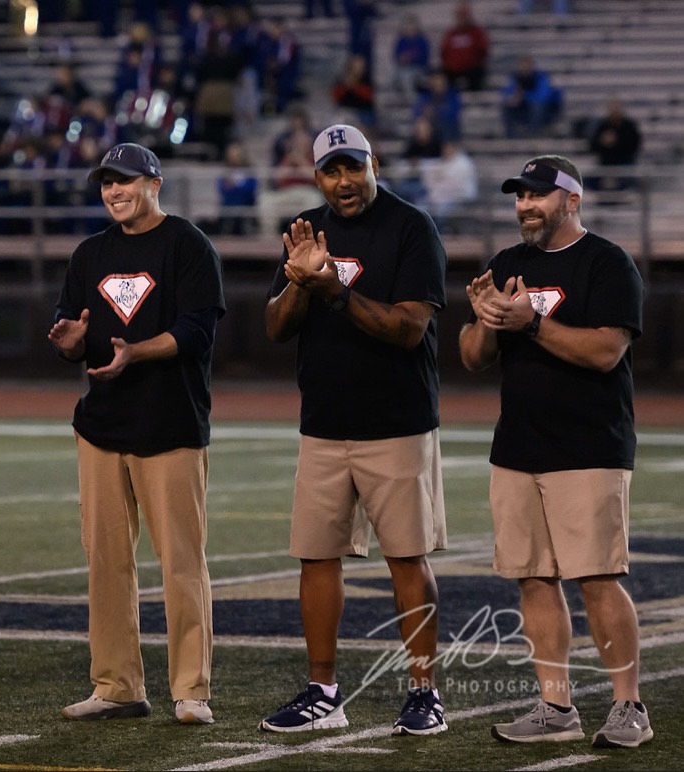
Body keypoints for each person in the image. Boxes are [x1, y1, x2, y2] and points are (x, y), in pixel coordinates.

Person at [259, 124, 449, 736]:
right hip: (324, 422)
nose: (343, 182)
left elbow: (408, 327)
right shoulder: (307, 230)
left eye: (353, 168)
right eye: (331, 171)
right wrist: (298, 281)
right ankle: (323, 690)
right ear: (317, 176)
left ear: (374, 163)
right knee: (316, 556)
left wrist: (335, 290)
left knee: (406, 558)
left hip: (396, 421)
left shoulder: (411, 226)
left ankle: (426, 692)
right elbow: (274, 329)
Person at [457, 156, 652, 749]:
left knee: (596, 576)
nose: (525, 205)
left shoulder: (608, 263)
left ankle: (629, 708)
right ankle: (555, 707)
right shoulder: (507, 264)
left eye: (538, 195)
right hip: (518, 446)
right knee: (533, 580)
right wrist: (487, 320)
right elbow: (471, 357)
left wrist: (532, 324)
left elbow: (605, 353)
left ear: (572, 200)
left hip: (589, 444)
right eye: (519, 196)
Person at [48, 142, 226, 725]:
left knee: (181, 562)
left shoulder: (188, 245)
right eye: (107, 184)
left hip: (170, 424)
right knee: (105, 561)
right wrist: (70, 341)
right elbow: (70, 326)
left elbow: (197, 330)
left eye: (125, 182)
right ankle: (117, 685)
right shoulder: (90, 252)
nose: (115, 192)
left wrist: (135, 353)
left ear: (155, 183)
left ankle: (190, 689)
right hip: (102, 426)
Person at [587, 98, 642, 193]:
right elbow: (592, 146)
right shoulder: (603, 126)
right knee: (586, 181)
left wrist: (617, 141)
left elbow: (635, 145)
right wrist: (602, 142)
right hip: (605, 165)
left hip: (625, 165)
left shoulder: (629, 126)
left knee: (625, 182)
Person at [500, 55, 562, 139]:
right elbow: (506, 94)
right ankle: (511, 137)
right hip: (525, 110)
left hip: (547, 111)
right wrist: (512, 99)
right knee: (506, 106)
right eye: (522, 65)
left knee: (537, 106)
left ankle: (533, 134)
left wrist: (523, 96)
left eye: (527, 65)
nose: (524, 68)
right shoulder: (515, 78)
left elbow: (543, 97)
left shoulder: (541, 77)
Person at [440, 1, 490, 91]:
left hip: (472, 68)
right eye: (460, 17)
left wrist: (474, 61)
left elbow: (483, 50)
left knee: (476, 74)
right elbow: (444, 51)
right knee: (440, 75)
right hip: (453, 69)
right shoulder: (451, 33)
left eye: (464, 17)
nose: (462, 20)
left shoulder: (477, 32)